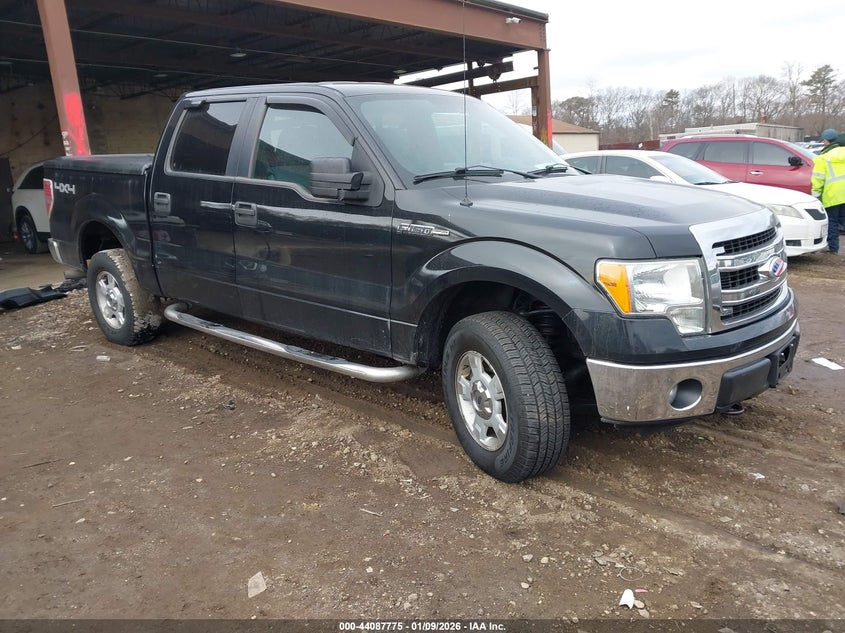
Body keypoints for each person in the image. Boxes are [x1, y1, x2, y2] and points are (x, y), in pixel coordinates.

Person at [812, 129, 845, 254]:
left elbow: (818, 179)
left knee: (832, 222)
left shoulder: (823, 158)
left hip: (833, 195)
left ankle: (833, 248)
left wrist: (815, 195)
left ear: (826, 141)